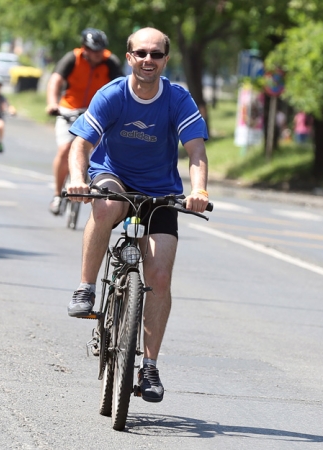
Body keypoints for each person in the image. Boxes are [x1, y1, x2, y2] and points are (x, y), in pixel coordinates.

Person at [65, 27, 209, 403]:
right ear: (129, 57)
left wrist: (199, 191)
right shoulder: (112, 94)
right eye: (141, 53)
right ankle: (86, 286)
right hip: (114, 177)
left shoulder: (178, 99)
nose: (148, 60)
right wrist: (79, 180)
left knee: (159, 276)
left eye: (156, 54)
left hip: (161, 190)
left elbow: (195, 152)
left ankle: (149, 366)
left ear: (165, 59)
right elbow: (81, 144)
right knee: (108, 203)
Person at [46, 28, 123, 215]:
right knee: (65, 149)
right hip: (69, 108)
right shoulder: (72, 59)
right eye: (93, 50)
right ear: (84, 48)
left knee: (95, 151)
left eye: (100, 50)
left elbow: (122, 88)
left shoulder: (110, 62)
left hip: (96, 113)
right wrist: (52, 103)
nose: (97, 54)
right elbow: (55, 81)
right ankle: (57, 195)